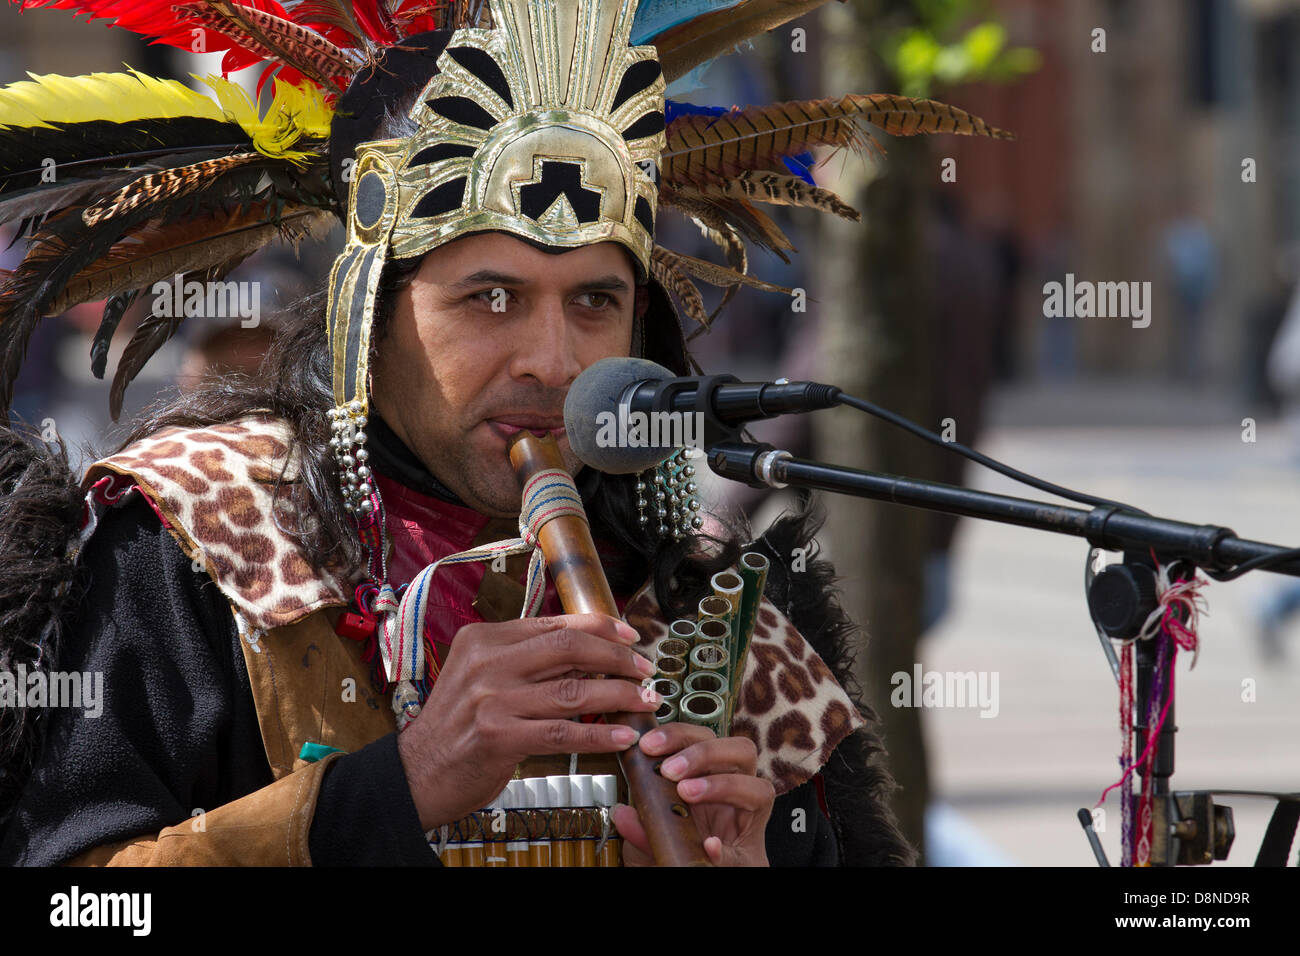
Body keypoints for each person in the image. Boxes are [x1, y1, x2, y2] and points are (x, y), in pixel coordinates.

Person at [0, 0, 1008, 866]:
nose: (552, 360)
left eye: (594, 302)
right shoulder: (187, 542)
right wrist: (396, 787)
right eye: (491, 297)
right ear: (370, 320)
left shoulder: (719, 612)